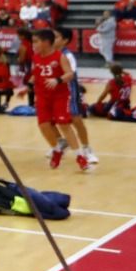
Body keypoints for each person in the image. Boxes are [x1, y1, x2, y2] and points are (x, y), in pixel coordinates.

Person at [30, 29, 89, 172]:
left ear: (46, 42)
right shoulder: (36, 57)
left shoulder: (60, 56)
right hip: (42, 96)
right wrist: (28, 86)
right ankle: (57, 150)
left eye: (36, 42)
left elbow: (70, 74)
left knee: (64, 124)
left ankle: (80, 156)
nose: (33, 45)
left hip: (59, 96)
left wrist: (58, 80)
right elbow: (36, 74)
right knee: (43, 125)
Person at [55, 27, 98, 167]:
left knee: (76, 121)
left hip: (69, 93)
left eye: (56, 37)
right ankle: (63, 142)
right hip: (54, 93)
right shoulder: (48, 53)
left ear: (65, 40)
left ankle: (86, 149)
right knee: (49, 121)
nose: (52, 39)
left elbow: (70, 74)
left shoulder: (67, 55)